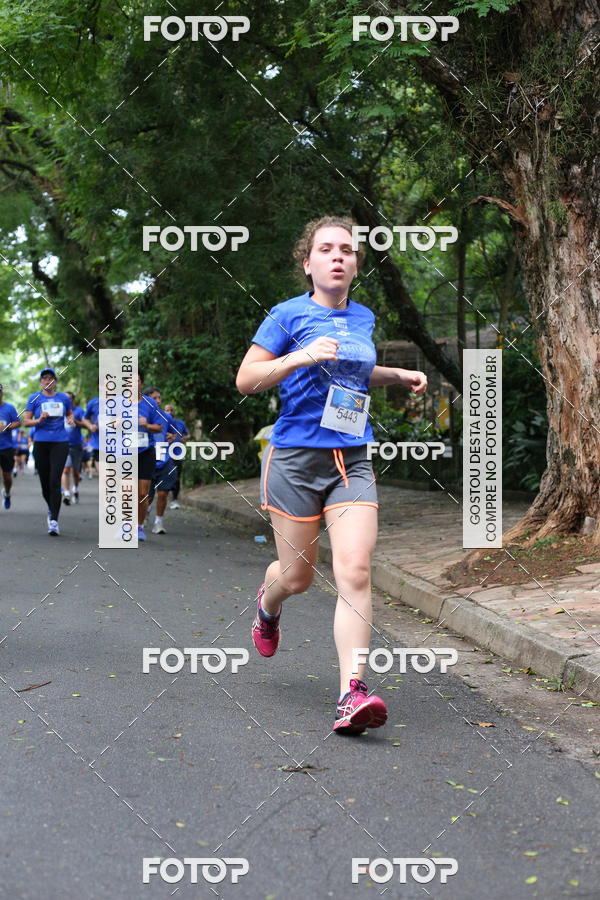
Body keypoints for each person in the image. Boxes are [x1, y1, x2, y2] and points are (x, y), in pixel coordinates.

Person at [236, 216, 428, 735]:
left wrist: (397, 374)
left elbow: (355, 372)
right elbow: (246, 379)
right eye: (326, 249)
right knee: (296, 577)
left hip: (352, 459)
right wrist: (300, 356)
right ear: (309, 263)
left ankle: (352, 693)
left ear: (356, 264)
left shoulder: (362, 316)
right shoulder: (286, 315)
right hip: (295, 460)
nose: (338, 256)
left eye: (347, 249)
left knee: (356, 571)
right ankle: (267, 604)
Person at [23, 368, 74, 535]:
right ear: (41, 382)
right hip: (41, 443)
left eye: (51, 378)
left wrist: (71, 420)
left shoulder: (64, 398)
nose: (48, 380)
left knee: (54, 480)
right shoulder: (34, 398)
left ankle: (54, 521)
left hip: (60, 442)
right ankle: (51, 508)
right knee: (45, 483)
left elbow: (70, 415)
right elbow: (26, 421)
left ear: (55, 382)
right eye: (44, 378)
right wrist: (39, 419)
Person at [145, 387, 178, 534]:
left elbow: (175, 433)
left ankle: (158, 522)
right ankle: (145, 511)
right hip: (147, 458)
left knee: (163, 493)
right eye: (155, 398)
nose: (158, 401)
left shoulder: (166, 417)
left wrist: (172, 437)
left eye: (159, 398)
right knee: (147, 496)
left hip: (165, 459)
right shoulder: (140, 415)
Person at [135, 374, 162, 542]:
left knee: (143, 494)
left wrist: (146, 424)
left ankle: (139, 526)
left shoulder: (150, 403)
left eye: (136, 380)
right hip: (124, 453)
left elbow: (159, 427)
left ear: (141, 383)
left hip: (146, 451)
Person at [61, 392, 91, 504]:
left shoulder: (79, 411)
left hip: (76, 445)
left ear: (72, 400)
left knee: (75, 471)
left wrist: (76, 422)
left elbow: (86, 425)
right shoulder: (59, 411)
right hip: (62, 444)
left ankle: (75, 489)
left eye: (69, 398)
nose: (66, 400)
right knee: (65, 469)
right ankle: (66, 493)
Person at [164, 403, 190, 509]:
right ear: (164, 412)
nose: (169, 412)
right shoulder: (160, 423)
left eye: (171, 410)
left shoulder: (180, 423)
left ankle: (174, 500)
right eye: (167, 410)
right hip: (163, 454)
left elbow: (187, 435)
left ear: (174, 412)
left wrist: (181, 439)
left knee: (176, 477)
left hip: (177, 454)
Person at [0, 384, 21, 510]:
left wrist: (6, 427)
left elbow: (18, 422)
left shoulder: (9, 408)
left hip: (6, 447)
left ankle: (7, 493)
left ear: (2, 393)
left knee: (7, 477)